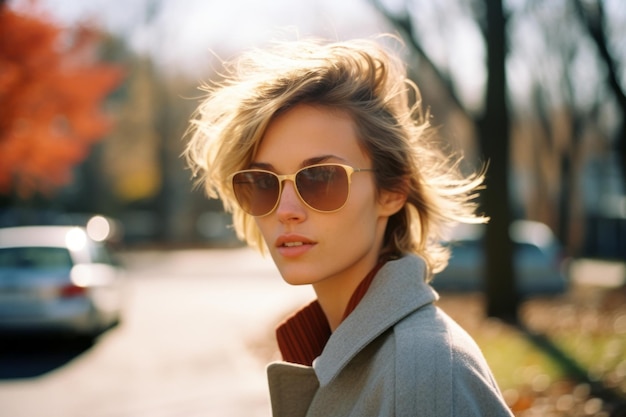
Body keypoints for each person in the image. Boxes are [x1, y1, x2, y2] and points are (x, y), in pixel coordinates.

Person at [185, 35, 514, 417]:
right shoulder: (338, 353)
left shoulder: (423, 374)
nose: (286, 210)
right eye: (262, 183)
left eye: (321, 178)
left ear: (392, 191)